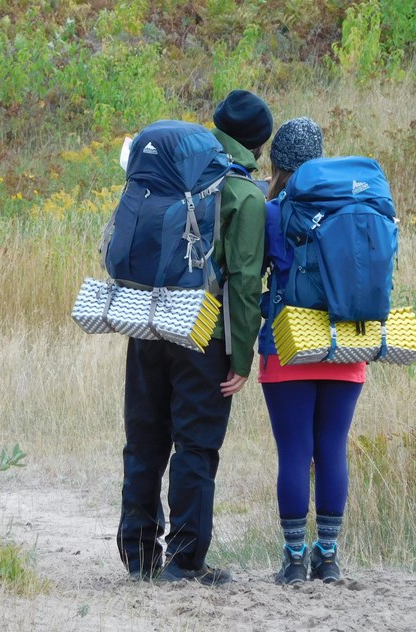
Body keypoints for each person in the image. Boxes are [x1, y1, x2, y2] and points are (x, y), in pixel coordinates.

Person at [117, 90, 273, 586]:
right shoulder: (244, 193)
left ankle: (138, 557)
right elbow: (245, 284)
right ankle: (185, 562)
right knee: (196, 445)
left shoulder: (174, 172)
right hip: (203, 330)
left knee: (144, 440)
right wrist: (241, 357)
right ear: (258, 144)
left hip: (148, 318)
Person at [258, 117, 366, 584]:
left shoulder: (273, 211)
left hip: (287, 345)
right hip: (347, 344)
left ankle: (294, 560)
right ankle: (329, 558)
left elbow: (251, 275)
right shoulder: (353, 204)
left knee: (294, 453)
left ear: (278, 163)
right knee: (332, 450)